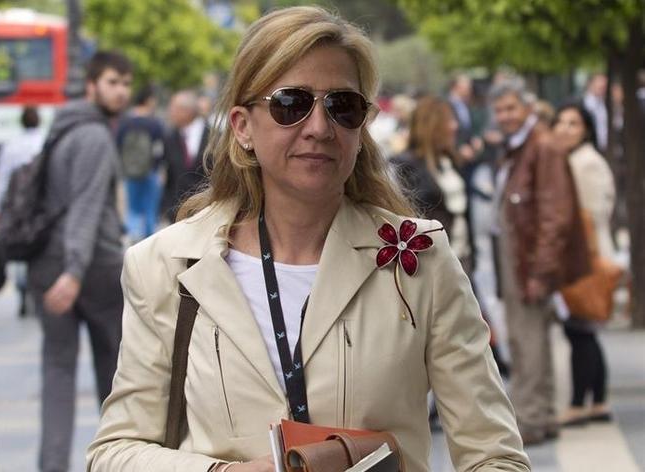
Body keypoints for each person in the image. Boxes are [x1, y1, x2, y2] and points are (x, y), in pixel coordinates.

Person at [87, 7, 529, 472]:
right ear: (242, 126)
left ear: (362, 126)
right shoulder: (167, 264)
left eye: (343, 106)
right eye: (291, 104)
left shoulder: (419, 259)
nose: (319, 127)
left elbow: (496, 455)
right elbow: (115, 452)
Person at [27, 50, 132, 472]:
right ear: (91, 86)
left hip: (46, 265)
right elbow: (85, 208)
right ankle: (121, 462)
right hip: (91, 268)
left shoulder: (61, 128)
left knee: (57, 372)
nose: (121, 92)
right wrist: (73, 270)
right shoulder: (93, 136)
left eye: (126, 84)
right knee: (118, 380)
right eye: (112, 82)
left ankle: (52, 464)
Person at [490, 78, 590, 445]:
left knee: (527, 339)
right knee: (529, 338)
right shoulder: (522, 146)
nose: (505, 116)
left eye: (511, 108)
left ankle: (531, 418)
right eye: (499, 110)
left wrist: (540, 271)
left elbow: (554, 216)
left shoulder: (541, 146)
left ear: (528, 107)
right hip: (522, 254)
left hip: (528, 258)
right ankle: (541, 415)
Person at [552, 102, 617, 426]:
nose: (564, 129)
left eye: (573, 124)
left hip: (587, 258)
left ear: (586, 130)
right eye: (561, 122)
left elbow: (589, 216)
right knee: (585, 331)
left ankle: (580, 404)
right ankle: (598, 402)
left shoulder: (585, 163)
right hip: (585, 256)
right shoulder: (575, 159)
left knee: (580, 331)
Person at [390, 96, 471, 265]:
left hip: (461, 255)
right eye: (449, 120)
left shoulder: (450, 160)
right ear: (432, 126)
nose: (455, 126)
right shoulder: (405, 165)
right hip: (431, 261)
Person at [0, 106, 45, 316]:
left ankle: (22, 288)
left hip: (15, 205)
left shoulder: (11, 146)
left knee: (17, 244)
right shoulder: (44, 142)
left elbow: (3, 178)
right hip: (39, 206)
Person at [117, 84, 166, 241]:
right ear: (149, 100)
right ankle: (149, 241)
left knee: (133, 208)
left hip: (130, 171)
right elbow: (160, 148)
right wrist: (158, 168)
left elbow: (118, 144)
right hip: (150, 171)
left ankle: (133, 238)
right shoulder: (154, 123)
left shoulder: (125, 121)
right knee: (150, 208)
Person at [162, 90, 210, 222]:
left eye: (174, 108)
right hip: (176, 213)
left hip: (206, 212)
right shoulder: (170, 137)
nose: (170, 112)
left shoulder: (214, 136)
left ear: (187, 111)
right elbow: (169, 174)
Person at [583, 74, 609, 152]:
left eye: (604, 86)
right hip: (589, 147)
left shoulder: (606, 103)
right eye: (600, 86)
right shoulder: (582, 103)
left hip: (605, 148)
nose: (603, 88)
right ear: (590, 84)